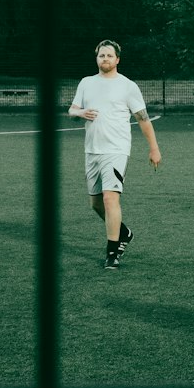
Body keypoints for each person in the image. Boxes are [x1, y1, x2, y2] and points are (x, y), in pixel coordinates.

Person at [68, 39, 162, 269]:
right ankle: (124, 232)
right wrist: (81, 112)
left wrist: (154, 148)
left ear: (117, 59)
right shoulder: (86, 83)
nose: (105, 59)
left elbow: (143, 119)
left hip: (116, 150)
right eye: (102, 55)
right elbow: (71, 110)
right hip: (92, 150)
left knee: (111, 198)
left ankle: (112, 252)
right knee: (96, 204)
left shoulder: (127, 86)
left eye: (110, 56)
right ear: (97, 58)